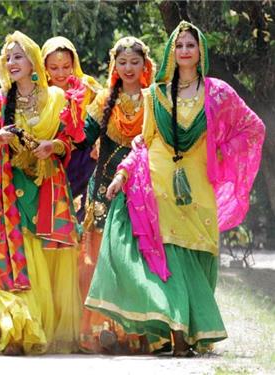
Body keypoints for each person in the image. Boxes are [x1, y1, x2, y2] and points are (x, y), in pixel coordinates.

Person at [85, 21, 265, 356]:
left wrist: (220, 152)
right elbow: (144, 142)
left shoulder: (218, 92)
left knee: (197, 256)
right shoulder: (156, 94)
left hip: (198, 186)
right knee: (164, 256)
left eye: (190, 45)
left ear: (200, 52)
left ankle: (191, 330)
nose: (184, 50)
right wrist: (122, 176)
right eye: (179, 45)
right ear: (171, 51)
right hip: (158, 185)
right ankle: (176, 333)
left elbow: (252, 127)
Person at [0, 31, 81, 355]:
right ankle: (14, 329)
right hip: (7, 191)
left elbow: (70, 143)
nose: (11, 62)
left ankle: (39, 326)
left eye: (18, 56)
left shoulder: (56, 99)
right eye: (8, 57)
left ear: (33, 62)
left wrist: (53, 145)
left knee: (42, 255)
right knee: (13, 256)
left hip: (45, 188)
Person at [75, 36, 155, 354]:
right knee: (100, 258)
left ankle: (134, 331)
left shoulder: (153, 100)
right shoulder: (104, 100)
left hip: (141, 190)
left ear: (145, 65)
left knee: (134, 260)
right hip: (104, 188)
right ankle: (100, 329)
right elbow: (83, 137)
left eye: (134, 62)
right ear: (114, 66)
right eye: (122, 62)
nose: (128, 68)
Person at [41, 37, 102, 221]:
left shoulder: (88, 87)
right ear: (44, 67)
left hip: (85, 161)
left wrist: (99, 143)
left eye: (66, 66)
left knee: (84, 217)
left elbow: (108, 117)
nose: (61, 73)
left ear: (74, 63)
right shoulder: (40, 92)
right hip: (52, 161)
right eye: (54, 68)